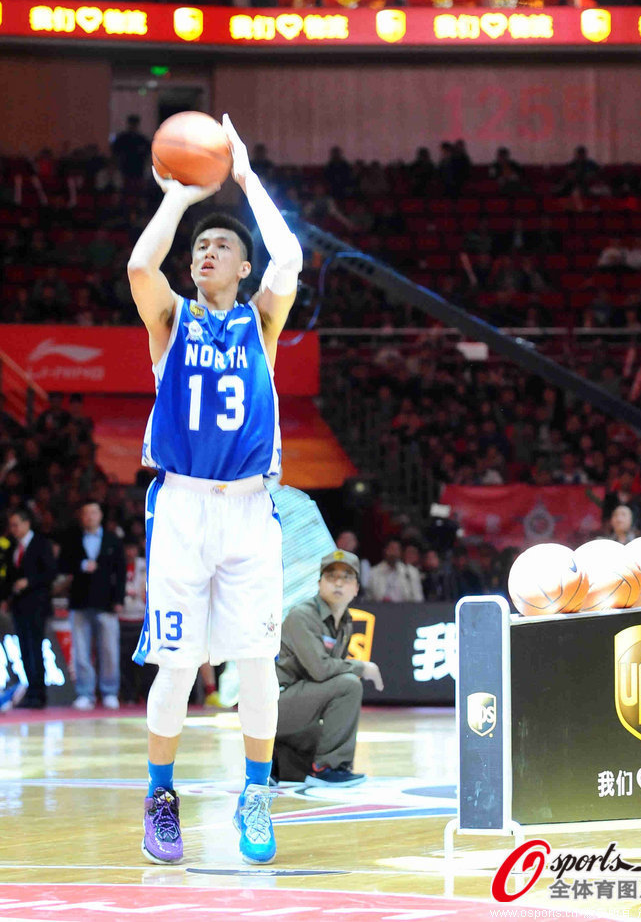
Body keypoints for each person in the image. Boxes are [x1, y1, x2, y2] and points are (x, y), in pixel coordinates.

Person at [126, 113, 302, 866]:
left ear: (241, 267)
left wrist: (249, 179)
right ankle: (160, 796)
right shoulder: (171, 321)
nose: (205, 251)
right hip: (183, 506)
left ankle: (255, 793)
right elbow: (140, 269)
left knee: (255, 664)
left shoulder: (261, 321)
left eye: (219, 244)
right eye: (199, 246)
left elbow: (289, 254)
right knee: (174, 664)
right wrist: (176, 198)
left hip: (248, 511)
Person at [274, 550, 383, 785]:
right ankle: (328, 768)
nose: (338, 582)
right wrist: (362, 667)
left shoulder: (345, 623)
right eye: (331, 576)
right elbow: (321, 670)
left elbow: (327, 675)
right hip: (275, 704)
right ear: (319, 583)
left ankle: (275, 761)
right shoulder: (302, 616)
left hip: (301, 706)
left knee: (319, 743)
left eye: (346, 577)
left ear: (356, 588)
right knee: (348, 685)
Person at [59, 500, 126, 710]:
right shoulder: (72, 538)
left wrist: (118, 600)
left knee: (109, 650)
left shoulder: (112, 540)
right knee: (80, 651)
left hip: (106, 603)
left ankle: (109, 692)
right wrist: (80, 565)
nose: (90, 517)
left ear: (100, 515)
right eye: (86, 513)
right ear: (81, 516)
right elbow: (62, 564)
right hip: (79, 602)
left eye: (93, 512)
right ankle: (85, 693)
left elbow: (121, 572)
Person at [2, 508, 56, 709]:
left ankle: (39, 694)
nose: (13, 529)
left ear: (26, 523)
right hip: (19, 606)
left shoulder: (41, 544)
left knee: (35, 648)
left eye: (16, 524)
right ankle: (30, 691)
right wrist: (6, 597)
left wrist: (30, 581)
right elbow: (9, 578)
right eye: (12, 525)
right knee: (24, 649)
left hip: (37, 606)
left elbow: (51, 572)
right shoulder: (13, 548)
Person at [367, 537, 424, 603]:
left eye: (396, 549)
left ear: (400, 552)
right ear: (385, 551)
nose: (393, 553)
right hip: (380, 610)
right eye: (391, 549)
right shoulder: (373, 572)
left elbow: (418, 598)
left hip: (406, 610)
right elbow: (368, 599)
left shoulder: (411, 572)